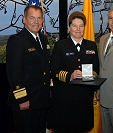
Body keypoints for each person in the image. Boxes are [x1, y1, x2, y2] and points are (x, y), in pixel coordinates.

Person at [50, 11, 99, 133]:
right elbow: (53, 70)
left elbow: (97, 69)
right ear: (69, 27)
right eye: (74, 25)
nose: (78, 29)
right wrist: (69, 76)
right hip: (64, 98)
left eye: (81, 26)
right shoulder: (60, 46)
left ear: (84, 27)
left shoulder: (91, 46)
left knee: (83, 128)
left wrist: (92, 75)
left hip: (84, 98)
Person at [6, 5, 50, 133]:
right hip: (26, 103)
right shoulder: (17, 40)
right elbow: (14, 72)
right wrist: (22, 98)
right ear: (24, 20)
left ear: (42, 21)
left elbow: (46, 67)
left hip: (41, 100)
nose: (36, 22)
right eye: (32, 18)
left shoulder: (43, 39)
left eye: (39, 18)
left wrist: (49, 89)